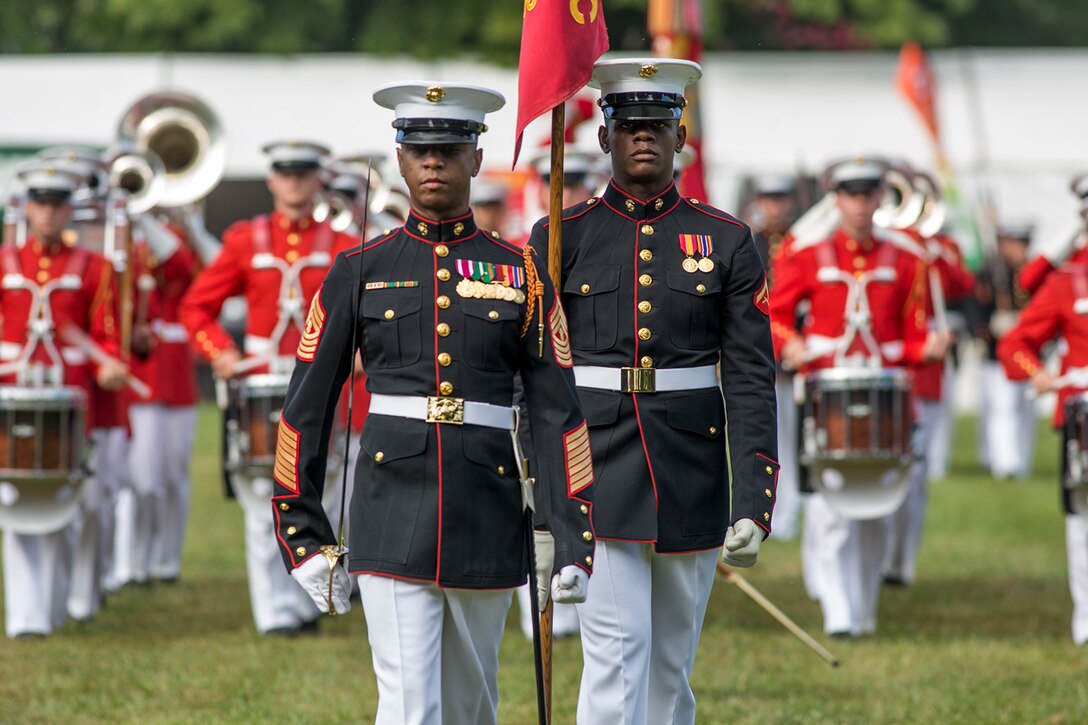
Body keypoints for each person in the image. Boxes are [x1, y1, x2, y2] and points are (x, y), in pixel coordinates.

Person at [271, 81, 594, 725]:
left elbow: (558, 414)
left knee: (472, 704)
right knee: (410, 705)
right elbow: (306, 409)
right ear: (398, 157)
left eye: (449, 148)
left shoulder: (522, 273)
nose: (433, 161)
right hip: (390, 506)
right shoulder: (358, 268)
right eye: (419, 148)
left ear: (476, 158)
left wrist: (569, 532)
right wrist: (301, 533)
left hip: (487, 505)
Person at [525, 59, 778, 724]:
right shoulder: (559, 237)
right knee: (619, 653)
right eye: (630, 125)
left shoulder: (726, 240)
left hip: (690, 470)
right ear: (604, 137)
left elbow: (750, 379)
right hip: (598, 465)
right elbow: (542, 381)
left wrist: (754, 497)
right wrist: (546, 507)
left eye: (658, 125)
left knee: (670, 665)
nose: (644, 137)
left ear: (681, 136)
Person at [179, 140, 359, 636]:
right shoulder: (245, 239)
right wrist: (221, 352)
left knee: (324, 491)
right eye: (286, 172)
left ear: (318, 179)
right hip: (263, 384)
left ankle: (309, 603)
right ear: (272, 180)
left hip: (322, 383)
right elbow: (196, 308)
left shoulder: (345, 240)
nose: (295, 181)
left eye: (304, 172)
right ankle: (276, 613)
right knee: (265, 498)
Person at [770, 156, 946, 637]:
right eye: (851, 195)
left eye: (870, 195)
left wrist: (926, 347)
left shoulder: (908, 259)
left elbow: (913, 332)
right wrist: (794, 345)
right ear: (837, 200)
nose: (861, 205)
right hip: (828, 393)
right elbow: (776, 316)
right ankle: (837, 608)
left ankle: (863, 609)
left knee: (877, 511)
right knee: (831, 509)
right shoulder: (808, 256)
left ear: (880, 199)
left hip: (886, 394)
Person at [0, 161, 128, 639]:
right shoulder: (4, 262)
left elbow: (105, 333)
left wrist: (110, 364)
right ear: (27, 208)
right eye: (41, 203)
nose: (48, 213)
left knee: (62, 504)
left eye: (57, 204)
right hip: (12, 402)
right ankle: (27, 618)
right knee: (14, 501)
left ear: (69, 211)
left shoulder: (94, 268)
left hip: (72, 406)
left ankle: (54, 607)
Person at [998, 245, 1088, 644]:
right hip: (1082, 415)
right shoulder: (1068, 281)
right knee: (1083, 518)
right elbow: (1015, 343)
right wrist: (1036, 373)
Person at [968, 220, 1037, 479]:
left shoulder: (1034, 272)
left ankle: (1021, 463)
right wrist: (986, 328)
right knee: (1003, 408)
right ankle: (1004, 463)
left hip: (1029, 354)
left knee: (1025, 411)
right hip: (999, 355)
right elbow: (975, 306)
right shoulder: (990, 273)